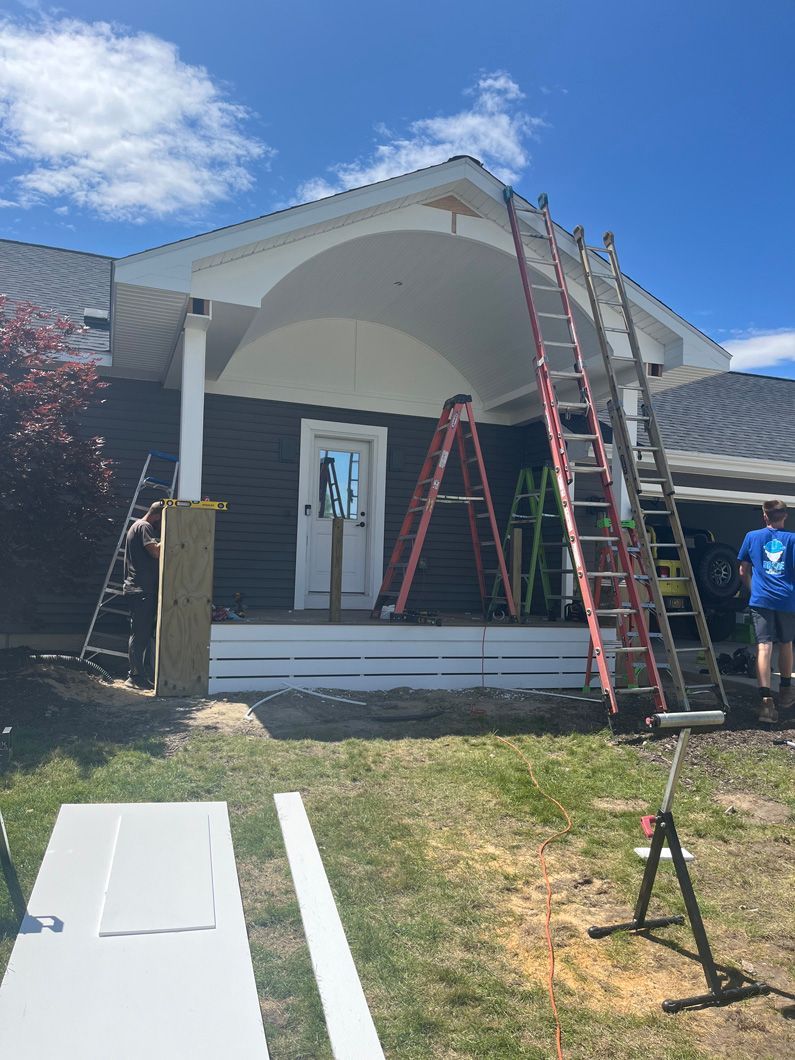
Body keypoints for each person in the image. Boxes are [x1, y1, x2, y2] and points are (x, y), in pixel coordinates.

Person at [738, 499, 795, 723]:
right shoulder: (792, 540)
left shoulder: (752, 537)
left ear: (764, 516)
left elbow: (743, 570)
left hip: (761, 600)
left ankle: (765, 702)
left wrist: (755, 591)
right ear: (785, 516)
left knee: (764, 646)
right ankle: (786, 692)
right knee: (786, 643)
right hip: (787, 600)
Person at [123, 500, 163, 689]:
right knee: (140, 634)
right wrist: (173, 534)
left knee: (142, 633)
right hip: (140, 590)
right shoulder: (145, 526)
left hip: (139, 589)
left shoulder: (137, 526)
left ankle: (138, 674)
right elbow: (155, 552)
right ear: (157, 517)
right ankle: (135, 677)